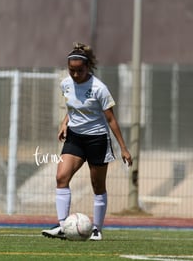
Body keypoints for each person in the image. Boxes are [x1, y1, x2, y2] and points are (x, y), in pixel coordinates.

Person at [41, 42, 132, 241]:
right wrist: (65, 122)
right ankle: (63, 225)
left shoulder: (99, 88)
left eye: (79, 70)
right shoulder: (65, 84)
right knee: (61, 177)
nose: (75, 74)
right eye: (71, 70)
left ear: (88, 67)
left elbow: (111, 119)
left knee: (97, 186)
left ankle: (97, 229)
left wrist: (124, 149)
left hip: (97, 139)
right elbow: (73, 107)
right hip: (75, 138)